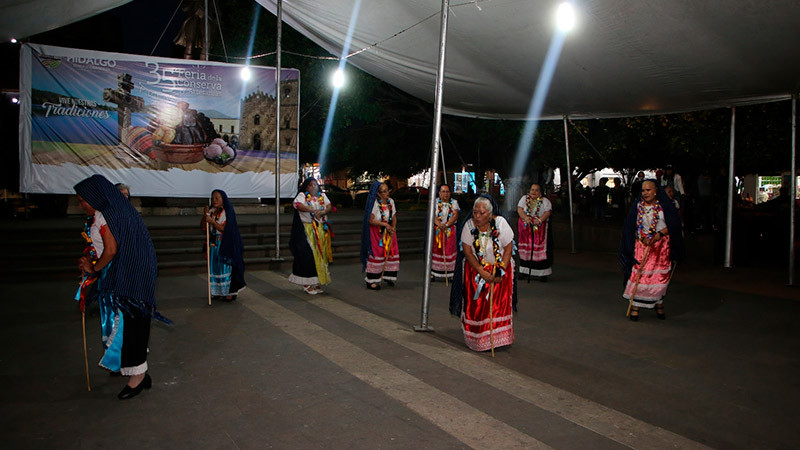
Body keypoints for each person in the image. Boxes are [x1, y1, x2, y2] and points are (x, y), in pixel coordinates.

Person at [74, 174, 169, 400]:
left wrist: (94, 269)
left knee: (132, 327)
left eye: (81, 199)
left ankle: (137, 376)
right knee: (130, 326)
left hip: (130, 282)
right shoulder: (110, 213)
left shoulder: (108, 215)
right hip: (127, 278)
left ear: (93, 197)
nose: (80, 205)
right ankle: (137, 373)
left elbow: (111, 250)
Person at [449, 195, 515, 351]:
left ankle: (498, 340)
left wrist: (501, 269)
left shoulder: (500, 224)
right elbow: (467, 252)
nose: (477, 216)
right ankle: (478, 339)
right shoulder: (469, 226)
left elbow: (508, 248)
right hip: (475, 272)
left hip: (500, 271)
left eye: (481, 213)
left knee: (498, 305)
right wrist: (481, 271)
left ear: (490, 214)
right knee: (479, 306)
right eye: (475, 212)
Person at [620, 180, 683, 321]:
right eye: (643, 191)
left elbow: (673, 225)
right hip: (642, 246)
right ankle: (635, 306)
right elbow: (631, 227)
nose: (645, 193)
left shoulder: (664, 207)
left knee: (658, 278)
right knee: (640, 277)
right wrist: (640, 236)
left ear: (655, 191)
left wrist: (658, 235)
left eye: (648, 190)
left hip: (661, 248)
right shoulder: (638, 206)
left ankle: (659, 303)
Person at [289, 178, 333, 294]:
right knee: (308, 255)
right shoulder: (302, 195)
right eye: (311, 185)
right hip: (306, 230)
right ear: (306, 187)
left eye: (315, 185)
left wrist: (322, 212)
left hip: (320, 229)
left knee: (320, 255)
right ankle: (307, 283)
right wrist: (313, 210)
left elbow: (329, 206)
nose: (314, 187)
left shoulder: (321, 196)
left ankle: (317, 282)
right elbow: (298, 205)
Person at [201, 189, 246, 300]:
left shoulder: (227, 212)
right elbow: (203, 226)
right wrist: (205, 215)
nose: (214, 200)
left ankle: (228, 292)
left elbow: (225, 229)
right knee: (215, 268)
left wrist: (212, 222)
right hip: (214, 244)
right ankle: (217, 291)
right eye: (213, 198)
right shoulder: (211, 210)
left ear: (223, 199)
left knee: (225, 268)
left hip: (225, 243)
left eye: (217, 198)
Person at [361, 181, 399, 290]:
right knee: (377, 254)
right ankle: (372, 280)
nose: (387, 193)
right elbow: (371, 220)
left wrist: (393, 227)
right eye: (384, 191)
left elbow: (394, 216)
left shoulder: (390, 201)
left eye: (388, 190)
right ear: (378, 193)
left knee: (390, 252)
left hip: (388, 231)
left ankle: (387, 276)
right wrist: (384, 224)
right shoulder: (374, 203)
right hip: (377, 232)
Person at [517, 183, 553, 281]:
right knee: (526, 249)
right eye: (532, 190)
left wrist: (540, 220)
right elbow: (520, 209)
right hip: (526, 228)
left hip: (539, 229)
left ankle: (542, 273)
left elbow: (548, 212)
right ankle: (524, 271)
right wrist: (525, 218)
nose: (534, 192)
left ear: (540, 192)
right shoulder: (524, 199)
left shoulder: (545, 201)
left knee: (539, 250)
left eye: (536, 190)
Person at [431, 184, 459, 282]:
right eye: (443, 192)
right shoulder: (435, 203)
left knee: (449, 251)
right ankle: (434, 272)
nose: (446, 194)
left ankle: (450, 273)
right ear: (439, 193)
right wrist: (439, 224)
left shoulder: (454, 203)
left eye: (447, 192)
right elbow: (432, 216)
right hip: (438, 230)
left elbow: (455, 215)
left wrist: (446, 225)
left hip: (449, 231)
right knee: (437, 250)